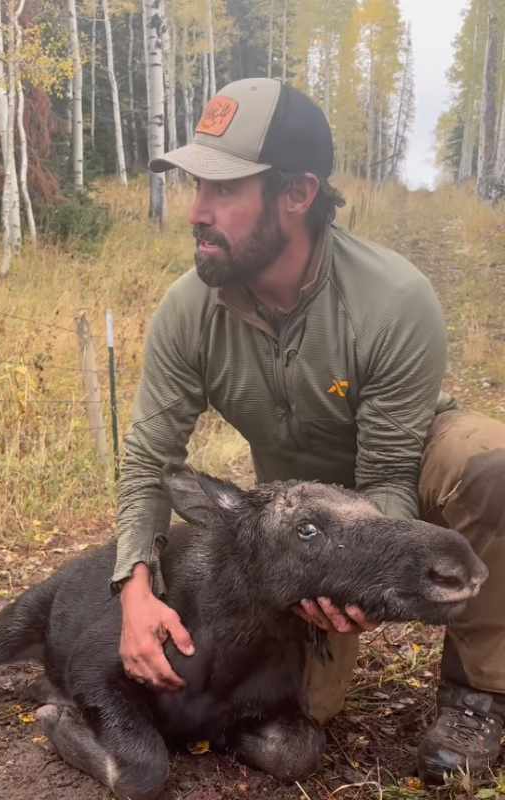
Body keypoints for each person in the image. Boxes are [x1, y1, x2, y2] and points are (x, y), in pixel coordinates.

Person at [111, 77, 505, 785]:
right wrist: (134, 588)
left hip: (403, 464)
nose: (197, 211)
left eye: (224, 190)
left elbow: (387, 475)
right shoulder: (188, 310)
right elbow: (149, 458)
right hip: (301, 504)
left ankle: (480, 690)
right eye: (196, 185)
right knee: (299, 717)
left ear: (297, 193)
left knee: (491, 466)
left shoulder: (392, 299)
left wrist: (361, 576)